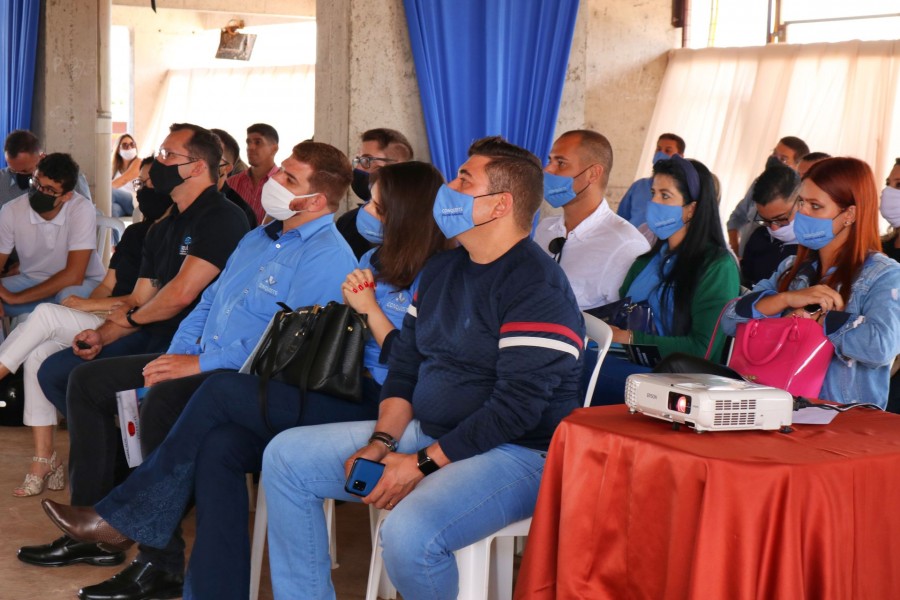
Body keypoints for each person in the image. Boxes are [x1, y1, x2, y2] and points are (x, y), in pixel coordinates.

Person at [40, 160, 448, 600]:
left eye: (377, 208)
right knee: (220, 446)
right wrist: (181, 355)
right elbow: (212, 302)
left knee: (215, 389)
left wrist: (369, 309)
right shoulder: (372, 260)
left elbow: (412, 364)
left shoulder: (436, 275)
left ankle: (126, 516)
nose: (363, 213)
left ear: (406, 216)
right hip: (339, 385)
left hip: (383, 402)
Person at [246, 136, 585, 599]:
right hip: (432, 431)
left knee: (409, 534)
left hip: (520, 452)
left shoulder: (536, 285)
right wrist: (382, 443)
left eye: (464, 180)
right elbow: (406, 365)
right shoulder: (444, 269)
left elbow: (517, 409)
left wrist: (421, 464)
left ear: (499, 204)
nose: (448, 189)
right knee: (286, 458)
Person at [17, 123, 248, 570]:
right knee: (64, 373)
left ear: (196, 167)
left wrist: (130, 323)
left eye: (167, 155)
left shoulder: (222, 218)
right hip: (156, 333)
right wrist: (101, 335)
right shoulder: (164, 227)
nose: (156, 162)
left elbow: (180, 295)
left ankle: (105, 519)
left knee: (88, 384)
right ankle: (99, 511)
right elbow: (142, 298)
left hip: (194, 346)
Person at [0, 157, 171, 497]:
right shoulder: (136, 233)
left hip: (130, 325)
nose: (142, 191)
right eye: (141, 183)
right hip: (104, 315)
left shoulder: (169, 236)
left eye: (149, 183)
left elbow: (140, 300)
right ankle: (44, 458)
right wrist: (90, 307)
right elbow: (107, 286)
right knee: (38, 351)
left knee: (46, 316)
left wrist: (85, 306)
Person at [722, 157, 900, 407]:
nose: (802, 213)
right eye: (801, 202)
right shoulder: (792, 268)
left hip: (839, 420)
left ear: (849, 214)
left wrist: (818, 318)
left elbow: (881, 347)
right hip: (776, 409)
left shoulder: (883, 274)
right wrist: (786, 299)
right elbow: (730, 319)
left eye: (816, 206)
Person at [592, 155, 740, 405]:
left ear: (691, 208)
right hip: (626, 362)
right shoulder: (647, 260)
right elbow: (622, 313)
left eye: (665, 196)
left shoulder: (717, 266)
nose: (654, 203)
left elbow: (703, 348)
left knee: (573, 366)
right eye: (653, 193)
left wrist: (630, 338)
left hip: (671, 382)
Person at [535, 129, 649, 309]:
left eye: (561, 163)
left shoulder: (626, 245)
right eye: (550, 161)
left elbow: (625, 320)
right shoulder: (545, 228)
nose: (547, 169)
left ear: (593, 174)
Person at [0, 153, 106, 317]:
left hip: (81, 284)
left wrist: (15, 298)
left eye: (49, 190)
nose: (39, 191)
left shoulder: (81, 209)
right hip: (30, 281)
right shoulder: (11, 210)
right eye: (36, 183)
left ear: (66, 196)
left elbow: (74, 276)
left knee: (67, 300)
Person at [335, 128, 414, 258]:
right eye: (358, 160)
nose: (357, 168)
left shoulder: (419, 223)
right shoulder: (347, 223)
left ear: (397, 167)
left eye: (367, 160)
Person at [727, 136, 810, 256]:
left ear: (798, 166)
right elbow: (737, 217)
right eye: (774, 154)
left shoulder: (800, 196)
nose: (775, 160)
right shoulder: (760, 183)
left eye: (783, 159)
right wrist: (735, 250)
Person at [739, 163, 801, 287]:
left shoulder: (813, 250)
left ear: (802, 202)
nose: (774, 228)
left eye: (781, 219)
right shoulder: (759, 237)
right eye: (765, 220)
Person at [617, 132, 685, 236]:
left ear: (680, 157)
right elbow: (621, 218)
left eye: (668, 151)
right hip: (630, 240)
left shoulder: (680, 191)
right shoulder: (639, 185)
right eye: (658, 149)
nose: (661, 154)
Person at [1, 130, 91, 208]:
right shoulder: (2, 180)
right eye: (13, 169)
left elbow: (86, 212)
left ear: (41, 156)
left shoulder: (70, 176)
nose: (18, 174)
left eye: (25, 170)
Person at [225, 123, 279, 223]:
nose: (250, 147)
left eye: (258, 142)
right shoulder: (231, 182)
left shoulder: (284, 184)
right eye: (248, 142)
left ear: (274, 149)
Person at [211, 127, 258, 228]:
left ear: (226, 168)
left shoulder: (240, 213)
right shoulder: (179, 194)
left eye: (211, 157)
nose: (200, 162)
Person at [110, 134, 140, 217]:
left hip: (134, 202)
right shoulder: (114, 168)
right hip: (121, 204)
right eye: (125, 145)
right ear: (118, 150)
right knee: (112, 209)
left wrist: (102, 191)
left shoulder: (139, 162)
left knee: (110, 192)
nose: (129, 148)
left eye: (132, 144)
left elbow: (123, 180)